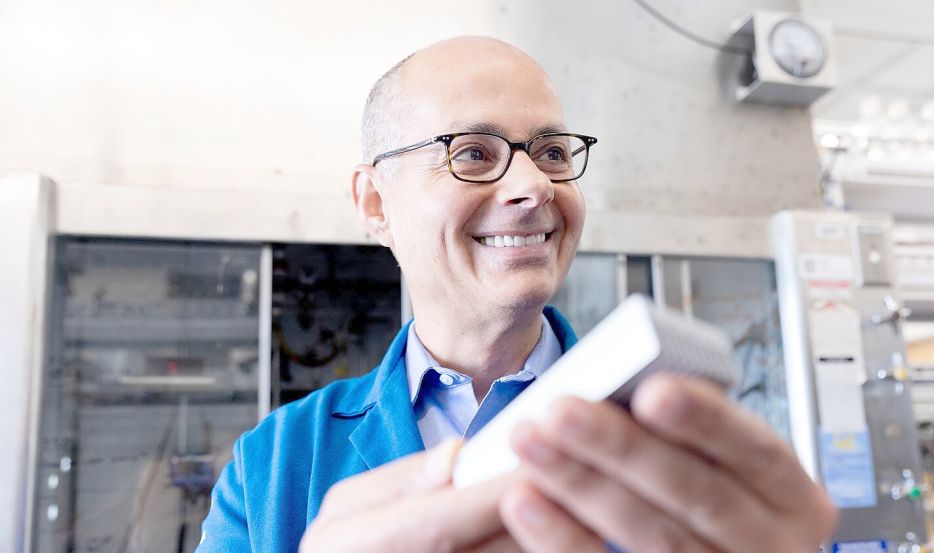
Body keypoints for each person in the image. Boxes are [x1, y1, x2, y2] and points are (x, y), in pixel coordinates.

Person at [198, 36, 837, 553]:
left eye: (553, 152)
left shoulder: (693, 435)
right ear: (376, 204)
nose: (535, 186)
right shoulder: (275, 465)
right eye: (472, 153)